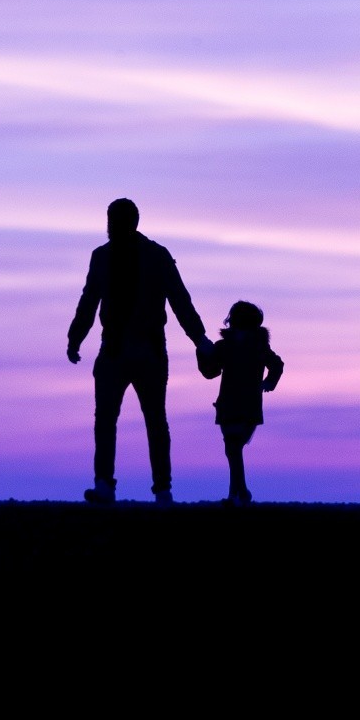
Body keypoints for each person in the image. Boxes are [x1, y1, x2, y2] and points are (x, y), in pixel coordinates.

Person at [67, 198, 211, 504]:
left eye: (115, 220)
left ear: (129, 222)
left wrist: (200, 338)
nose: (112, 226)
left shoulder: (152, 256)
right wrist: (75, 338)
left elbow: (179, 300)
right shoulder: (111, 257)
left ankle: (156, 488)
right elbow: (90, 300)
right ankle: (121, 485)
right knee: (123, 419)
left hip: (144, 350)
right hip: (121, 350)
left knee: (145, 420)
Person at [196, 300, 284, 505]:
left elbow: (277, 365)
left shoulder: (256, 347)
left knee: (233, 448)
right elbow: (211, 371)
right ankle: (238, 494)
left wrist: (269, 382)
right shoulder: (227, 347)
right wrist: (202, 352)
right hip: (230, 405)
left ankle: (239, 493)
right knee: (232, 448)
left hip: (246, 405)